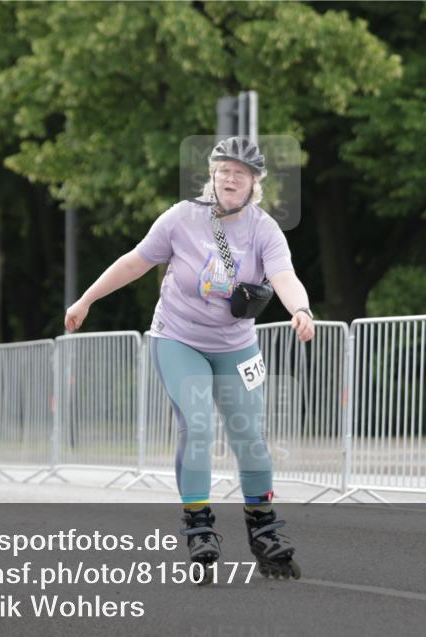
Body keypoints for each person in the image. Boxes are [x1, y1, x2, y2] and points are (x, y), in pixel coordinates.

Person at [64, 137, 313, 581]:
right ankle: (198, 524)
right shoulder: (181, 218)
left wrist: (301, 309)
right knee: (197, 427)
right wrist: (86, 300)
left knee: (249, 436)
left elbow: (284, 275)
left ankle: (264, 528)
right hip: (179, 339)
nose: (231, 178)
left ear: (255, 182)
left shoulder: (264, 229)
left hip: (236, 346)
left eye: (241, 173)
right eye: (224, 170)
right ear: (212, 176)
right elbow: (134, 263)